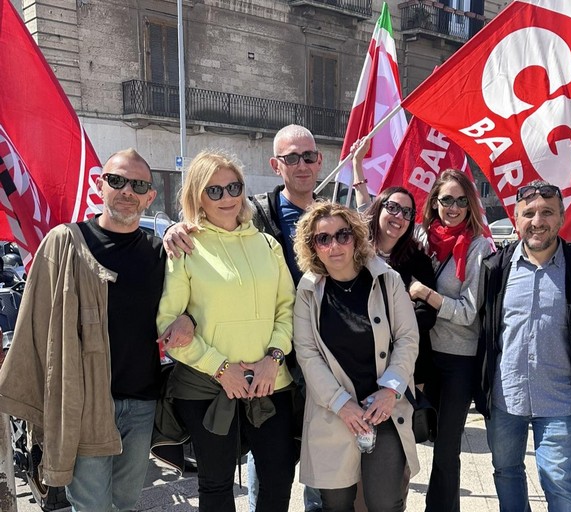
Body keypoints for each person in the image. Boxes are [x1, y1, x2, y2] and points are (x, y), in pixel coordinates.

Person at [0, 149, 172, 511]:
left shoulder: (160, 252)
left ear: (150, 197)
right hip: (83, 403)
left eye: (138, 185)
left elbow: (186, 305)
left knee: (126, 502)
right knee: (91, 506)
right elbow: (33, 322)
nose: (127, 191)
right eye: (117, 180)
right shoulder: (65, 243)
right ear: (99, 185)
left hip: (141, 402)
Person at [163, 124, 323, 512]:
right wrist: (221, 369)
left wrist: (274, 358)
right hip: (208, 388)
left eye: (233, 187)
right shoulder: (184, 247)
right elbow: (168, 328)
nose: (227, 197)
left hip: (272, 383)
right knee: (216, 487)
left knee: (278, 482)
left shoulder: (266, 244)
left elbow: (287, 309)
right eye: (214, 190)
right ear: (197, 197)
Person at [476, 181, 571, 511]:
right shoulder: (496, 268)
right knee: (506, 472)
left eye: (547, 212)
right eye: (528, 213)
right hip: (505, 396)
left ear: (562, 217)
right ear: (516, 219)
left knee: (558, 479)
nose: (537, 221)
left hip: (558, 398)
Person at [292, 201, 420, 511]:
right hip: (333, 412)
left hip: (383, 409)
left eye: (342, 235)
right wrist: (341, 404)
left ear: (356, 238)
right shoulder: (308, 290)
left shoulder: (386, 279)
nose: (334, 246)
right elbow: (307, 354)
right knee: (336, 505)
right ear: (312, 246)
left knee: (385, 504)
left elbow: (408, 338)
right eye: (323, 239)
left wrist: (390, 390)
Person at [406, 169, 493, 512]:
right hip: (423, 355)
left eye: (460, 201)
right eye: (446, 200)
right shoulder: (421, 239)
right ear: (434, 202)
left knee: (446, 448)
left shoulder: (478, 246)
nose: (453, 208)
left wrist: (426, 295)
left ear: (470, 205)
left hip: (459, 360)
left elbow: (469, 312)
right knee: (416, 434)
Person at [351, 138, 438, 386]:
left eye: (407, 212)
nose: (399, 216)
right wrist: (357, 162)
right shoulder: (356, 250)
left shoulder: (417, 259)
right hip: (361, 357)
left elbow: (427, 315)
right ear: (379, 208)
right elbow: (362, 200)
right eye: (392, 207)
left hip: (406, 363)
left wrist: (390, 324)